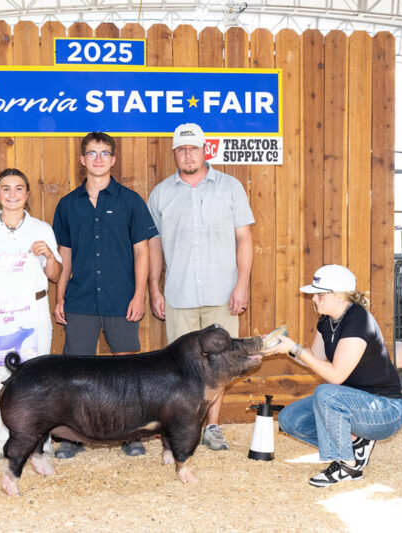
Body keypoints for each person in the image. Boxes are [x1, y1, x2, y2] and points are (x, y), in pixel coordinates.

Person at [147, 123, 254, 452]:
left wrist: (242, 285)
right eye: (181, 149)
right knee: (180, 366)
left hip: (222, 292)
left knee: (219, 365)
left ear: (205, 150)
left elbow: (244, 238)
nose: (187, 154)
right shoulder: (161, 193)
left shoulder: (230, 187)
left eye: (193, 148)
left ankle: (213, 427)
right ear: (174, 153)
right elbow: (153, 245)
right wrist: (155, 287)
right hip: (178, 293)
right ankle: (182, 426)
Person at [52, 131, 159, 459]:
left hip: (120, 299)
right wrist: (60, 298)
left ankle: (129, 434)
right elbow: (64, 256)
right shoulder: (68, 205)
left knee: (126, 375)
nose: (98, 159)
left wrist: (139, 295)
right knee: (76, 374)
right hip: (80, 300)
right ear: (82, 160)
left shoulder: (130, 201)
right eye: (91, 153)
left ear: (113, 160)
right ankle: (73, 437)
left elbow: (143, 252)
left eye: (104, 153)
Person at [264, 264, 402, 487]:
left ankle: (347, 465)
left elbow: (336, 376)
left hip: (385, 409)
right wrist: (286, 348)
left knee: (326, 393)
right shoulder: (327, 319)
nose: (314, 299)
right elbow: (314, 357)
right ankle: (355, 443)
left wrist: (296, 349)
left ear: (339, 296)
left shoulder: (358, 320)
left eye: (320, 294)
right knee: (289, 420)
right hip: (353, 401)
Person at [0, 168, 62, 463]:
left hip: (34, 309)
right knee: (0, 379)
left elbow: (56, 275)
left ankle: (39, 442)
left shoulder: (42, 229)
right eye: (5, 189)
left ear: (27, 194)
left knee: (38, 379)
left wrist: (47, 254)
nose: (12, 195)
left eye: (18, 189)